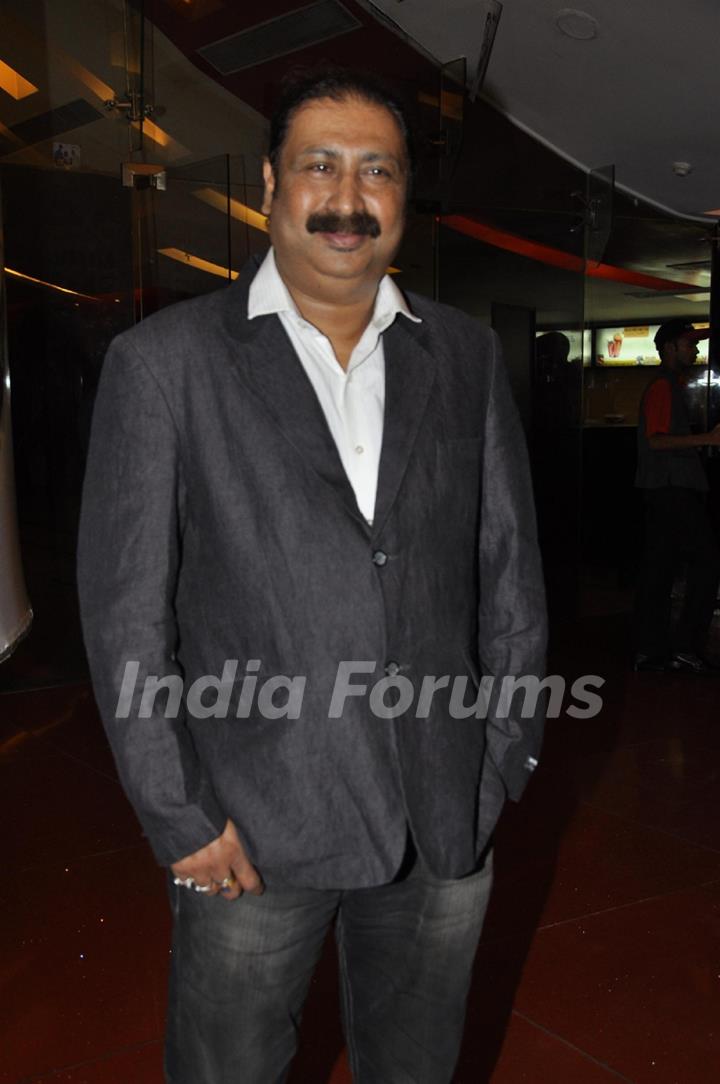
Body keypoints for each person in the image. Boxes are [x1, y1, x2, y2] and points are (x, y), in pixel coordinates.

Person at [77, 68, 547, 1084]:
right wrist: (178, 812)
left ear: (404, 195)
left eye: (375, 169)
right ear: (271, 185)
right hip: (249, 827)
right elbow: (126, 614)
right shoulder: (167, 365)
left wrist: (501, 756)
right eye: (319, 165)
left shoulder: (461, 357)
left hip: (442, 813)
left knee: (417, 1066)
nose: (347, 196)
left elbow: (509, 569)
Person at [633, 319, 720, 673]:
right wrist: (708, 440)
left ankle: (652, 651)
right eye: (689, 343)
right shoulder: (662, 387)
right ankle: (684, 646)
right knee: (708, 561)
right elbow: (656, 440)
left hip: (663, 489)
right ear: (669, 347)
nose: (695, 349)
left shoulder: (669, 386)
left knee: (660, 569)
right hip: (672, 490)